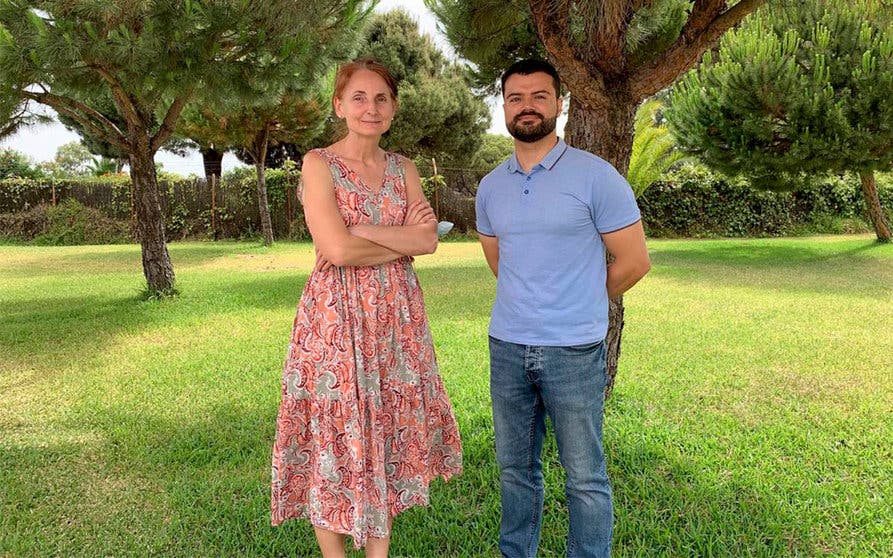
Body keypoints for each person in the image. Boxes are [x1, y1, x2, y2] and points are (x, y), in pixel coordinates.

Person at [271, 58, 463, 558]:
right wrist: (406, 241)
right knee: (335, 435)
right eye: (358, 97)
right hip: (335, 319)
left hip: (397, 320)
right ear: (339, 105)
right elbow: (336, 251)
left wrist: (363, 232)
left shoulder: (405, 169)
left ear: (394, 108)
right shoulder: (319, 164)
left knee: (385, 431)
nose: (369, 108)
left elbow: (428, 242)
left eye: (381, 98)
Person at [475, 59, 651, 558]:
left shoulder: (596, 176)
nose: (526, 106)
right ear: (504, 107)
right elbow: (499, 262)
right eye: (515, 98)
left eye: (538, 96)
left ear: (559, 103)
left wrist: (580, 302)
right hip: (507, 345)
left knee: (585, 477)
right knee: (514, 471)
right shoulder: (491, 187)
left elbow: (635, 262)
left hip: (573, 350)